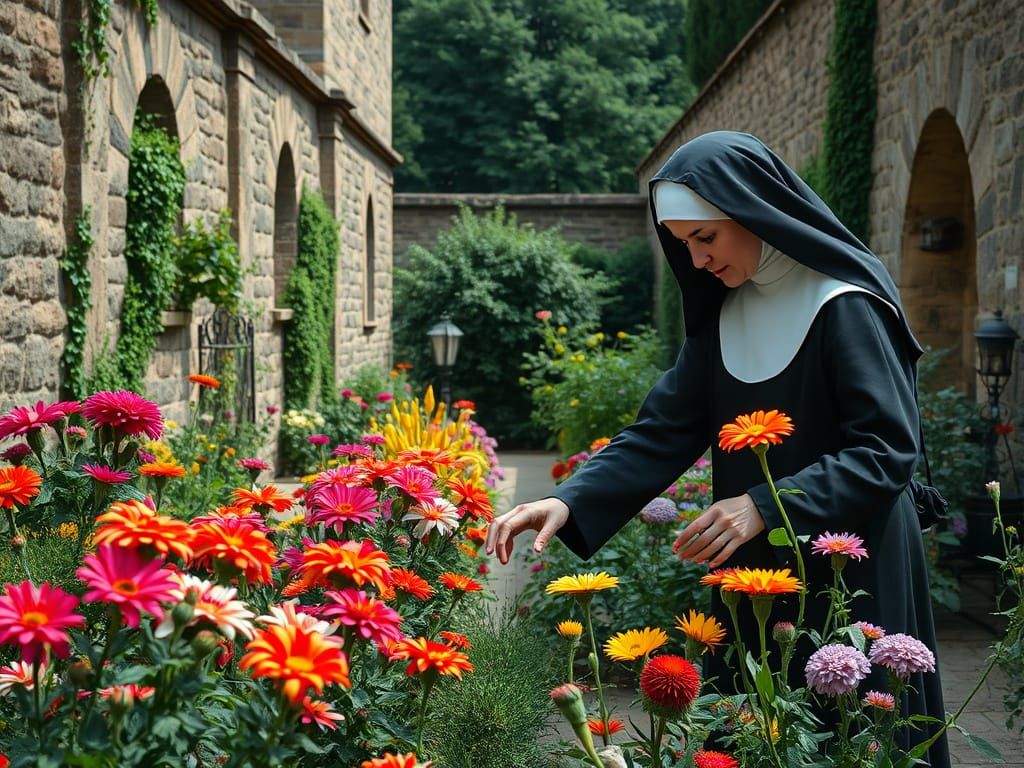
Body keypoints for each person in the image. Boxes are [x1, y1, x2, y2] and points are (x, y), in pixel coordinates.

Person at [485, 131, 950, 767]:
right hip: (752, 572)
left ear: (754, 209)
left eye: (706, 237)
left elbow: (887, 450)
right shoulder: (727, 316)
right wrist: (568, 499)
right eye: (683, 246)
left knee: (854, 743)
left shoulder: (846, 306)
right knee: (748, 738)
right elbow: (662, 429)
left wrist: (762, 503)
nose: (698, 261)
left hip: (855, 573)